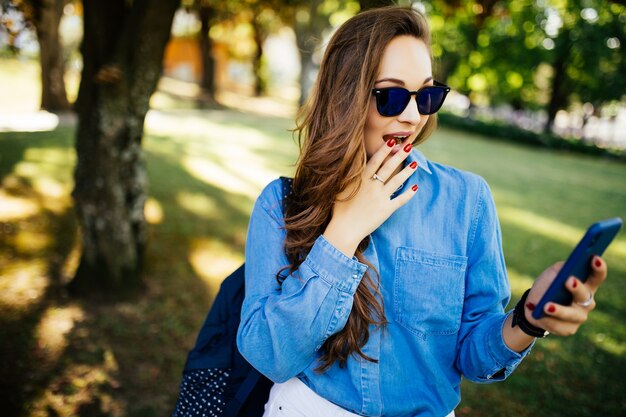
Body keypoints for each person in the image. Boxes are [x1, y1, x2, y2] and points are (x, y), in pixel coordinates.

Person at [236, 6, 607, 417]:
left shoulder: (467, 200)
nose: (413, 117)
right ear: (344, 96)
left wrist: (529, 317)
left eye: (427, 96)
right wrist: (343, 232)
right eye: (391, 96)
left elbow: (473, 357)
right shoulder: (282, 203)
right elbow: (270, 355)